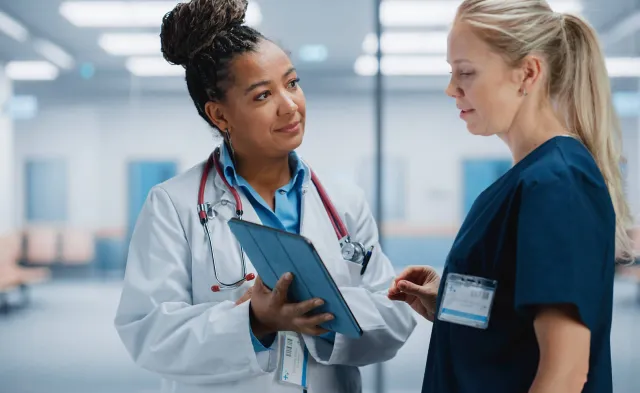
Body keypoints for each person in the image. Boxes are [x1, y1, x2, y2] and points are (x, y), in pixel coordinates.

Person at [113, 1, 416, 392]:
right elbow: (149, 333)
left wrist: (320, 315)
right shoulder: (174, 204)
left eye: (292, 83)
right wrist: (256, 321)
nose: (290, 106)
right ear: (220, 116)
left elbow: (393, 315)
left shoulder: (343, 201)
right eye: (262, 96)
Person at [388, 1, 634, 393]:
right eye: (452, 73)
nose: (452, 88)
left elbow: (565, 373)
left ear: (528, 73)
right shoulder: (526, 180)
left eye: (466, 72)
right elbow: (512, 314)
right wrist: (448, 300)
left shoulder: (558, 182)